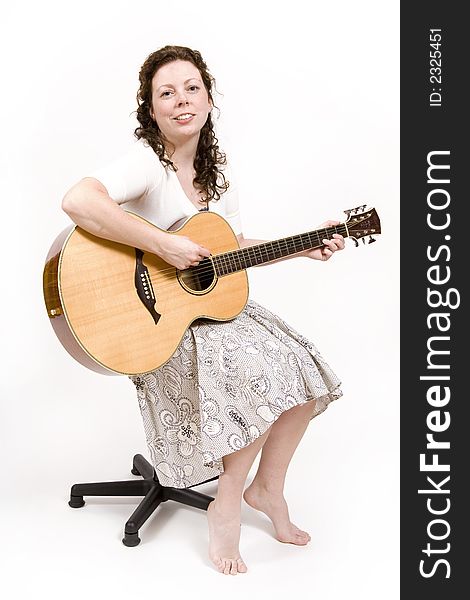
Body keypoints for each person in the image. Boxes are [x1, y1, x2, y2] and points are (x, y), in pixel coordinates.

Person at [62, 45, 345, 576]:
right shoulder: (146, 163)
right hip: (156, 329)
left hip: (209, 315)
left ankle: (268, 489)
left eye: (191, 87)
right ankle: (227, 503)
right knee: (261, 374)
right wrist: (165, 247)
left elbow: (228, 247)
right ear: (151, 110)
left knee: (305, 369)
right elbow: (79, 200)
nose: (181, 100)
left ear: (209, 98)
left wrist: (301, 246)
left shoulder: (220, 172)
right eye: (165, 93)